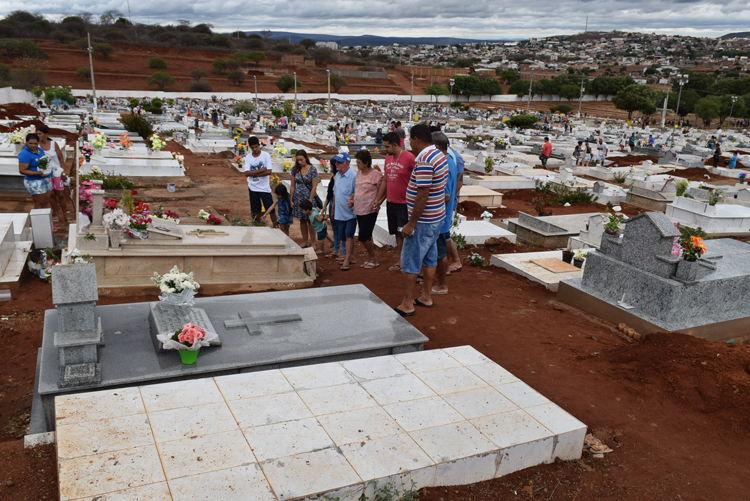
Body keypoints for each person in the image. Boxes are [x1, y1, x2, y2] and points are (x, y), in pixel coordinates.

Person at [393, 123, 448, 317]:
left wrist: (411, 223)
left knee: (410, 260)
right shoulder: (439, 154)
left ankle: (407, 304)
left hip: (424, 220)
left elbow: (422, 195)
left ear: (417, 139)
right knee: (429, 257)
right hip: (436, 217)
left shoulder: (424, 159)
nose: (410, 145)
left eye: (410, 140)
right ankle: (426, 296)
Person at [373, 132, 416, 271]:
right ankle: (401, 260)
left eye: (387, 146)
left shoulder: (409, 158)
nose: (385, 149)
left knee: (404, 234)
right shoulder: (388, 158)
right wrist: (378, 199)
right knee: (397, 234)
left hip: (405, 203)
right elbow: (385, 179)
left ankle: (407, 262)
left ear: (395, 145)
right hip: (391, 202)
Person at [431, 131, 457, 296]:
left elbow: (446, 196)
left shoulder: (444, 165)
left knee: (440, 252)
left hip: (439, 216)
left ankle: (442, 284)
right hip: (443, 216)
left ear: (438, 147)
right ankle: (439, 280)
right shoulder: (450, 161)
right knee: (440, 249)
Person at [19, 133, 64, 221]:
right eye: (30, 143)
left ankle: (45, 222)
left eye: (35, 143)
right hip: (34, 181)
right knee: (39, 204)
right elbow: (22, 171)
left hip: (45, 179)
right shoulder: (25, 154)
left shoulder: (39, 150)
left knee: (45, 203)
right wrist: (38, 173)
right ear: (26, 142)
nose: (33, 145)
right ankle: (40, 223)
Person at [350, 149, 382, 269]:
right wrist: (352, 198)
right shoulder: (359, 173)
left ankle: (373, 257)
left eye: (359, 162)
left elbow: (381, 191)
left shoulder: (376, 175)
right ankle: (370, 258)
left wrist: (377, 202)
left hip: (369, 209)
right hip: (359, 208)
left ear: (366, 162)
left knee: (363, 235)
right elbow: (357, 190)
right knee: (367, 234)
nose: (357, 165)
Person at [37, 125, 73, 222]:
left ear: (46, 134)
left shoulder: (53, 144)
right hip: (46, 174)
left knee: (61, 194)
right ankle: (56, 214)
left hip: (57, 172)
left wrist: (63, 172)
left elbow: (61, 158)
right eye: (37, 134)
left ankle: (65, 215)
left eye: (40, 133)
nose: (38, 135)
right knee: (51, 195)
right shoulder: (37, 146)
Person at [332, 152, 357, 270]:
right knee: (343, 236)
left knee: (348, 236)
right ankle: (351, 256)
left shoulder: (353, 176)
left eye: (339, 162)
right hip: (339, 212)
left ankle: (347, 259)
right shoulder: (337, 175)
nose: (336, 164)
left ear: (347, 163)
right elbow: (335, 193)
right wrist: (332, 209)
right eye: (336, 162)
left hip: (350, 213)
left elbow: (357, 193)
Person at [289, 149, 319, 248]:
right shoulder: (295, 170)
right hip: (298, 198)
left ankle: (313, 242)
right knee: (302, 220)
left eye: (301, 160)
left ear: (306, 158)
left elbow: (314, 186)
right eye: (298, 160)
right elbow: (292, 185)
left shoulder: (313, 169)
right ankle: (305, 241)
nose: (300, 162)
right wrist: (291, 199)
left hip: (309, 198)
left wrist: (310, 200)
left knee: (311, 220)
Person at [244, 136, 275, 224]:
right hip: (253, 188)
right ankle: (260, 225)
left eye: (256, 147)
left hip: (264, 187)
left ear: (259, 145)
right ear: (250, 147)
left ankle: (275, 226)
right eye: (252, 148)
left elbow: (269, 171)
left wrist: (253, 173)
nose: (254, 149)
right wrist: (261, 170)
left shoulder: (265, 155)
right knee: (257, 210)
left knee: (271, 209)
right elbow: (246, 173)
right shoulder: (248, 157)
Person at [321, 159, 341, 258]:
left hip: (337, 204)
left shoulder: (338, 178)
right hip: (332, 203)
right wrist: (325, 206)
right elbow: (329, 194)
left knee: (339, 228)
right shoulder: (334, 177)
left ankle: (340, 250)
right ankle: (337, 249)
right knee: (335, 228)